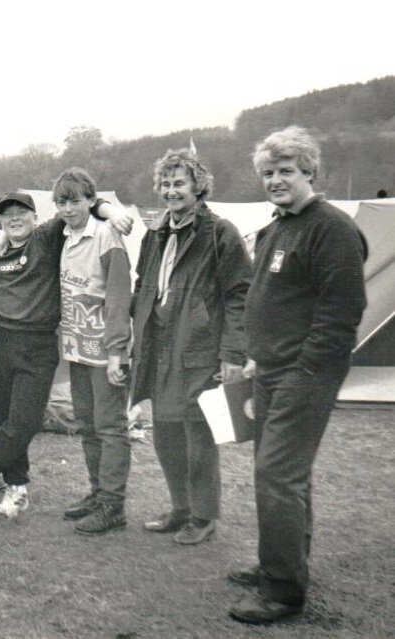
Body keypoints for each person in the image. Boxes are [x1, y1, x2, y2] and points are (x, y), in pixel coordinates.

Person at [227, 126, 367, 624]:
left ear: (309, 171)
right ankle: (283, 563)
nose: (275, 180)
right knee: (284, 474)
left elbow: (343, 312)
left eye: (286, 171)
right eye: (268, 172)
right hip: (270, 369)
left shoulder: (331, 228)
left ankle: (282, 591)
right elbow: (270, 300)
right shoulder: (276, 227)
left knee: (277, 475)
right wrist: (255, 354)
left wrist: (305, 367)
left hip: (306, 373)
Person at [129, 151, 251, 545]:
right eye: (165, 184)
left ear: (198, 186)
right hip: (159, 345)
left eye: (179, 183)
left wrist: (232, 354)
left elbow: (239, 295)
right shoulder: (155, 233)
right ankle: (180, 508)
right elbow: (142, 285)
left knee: (198, 437)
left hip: (199, 347)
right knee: (165, 433)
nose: (170, 191)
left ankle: (203, 516)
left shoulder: (220, 233)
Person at [0, 192, 66, 519]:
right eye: (8, 215)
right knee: (3, 417)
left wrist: (106, 207)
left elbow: (73, 207)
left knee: (26, 420)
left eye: (22, 213)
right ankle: (16, 489)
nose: (15, 218)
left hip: (38, 341)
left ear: (35, 217)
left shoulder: (45, 240)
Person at [51, 169, 133, 535]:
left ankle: (113, 505)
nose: (68, 209)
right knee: (86, 423)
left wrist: (118, 352)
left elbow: (118, 297)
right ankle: (98, 492)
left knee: (111, 426)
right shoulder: (63, 237)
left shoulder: (106, 235)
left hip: (105, 348)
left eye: (75, 201)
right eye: (62, 202)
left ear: (90, 201)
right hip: (76, 346)